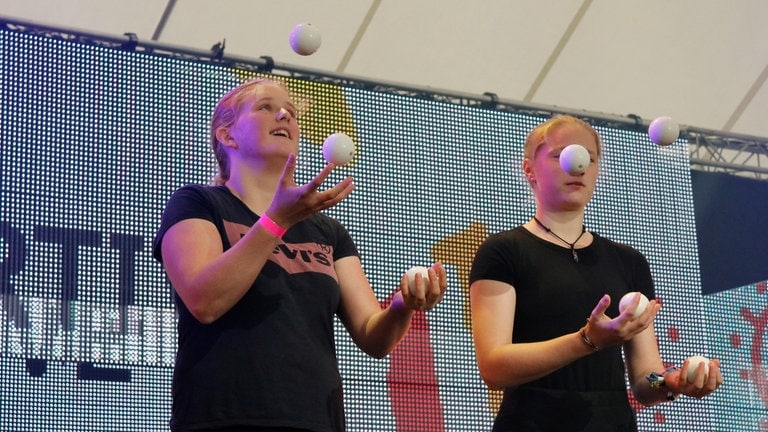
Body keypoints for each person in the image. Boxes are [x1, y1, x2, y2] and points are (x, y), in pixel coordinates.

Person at [152, 77, 447, 432]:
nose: (284, 115)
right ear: (227, 136)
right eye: (265, 107)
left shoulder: (327, 231)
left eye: (291, 112)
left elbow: (373, 336)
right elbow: (205, 300)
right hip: (223, 418)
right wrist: (276, 220)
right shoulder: (197, 203)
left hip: (316, 421)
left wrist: (403, 306)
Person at [469, 114, 723, 431]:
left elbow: (646, 382)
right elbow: (494, 368)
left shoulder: (628, 262)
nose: (577, 166)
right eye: (561, 155)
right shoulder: (503, 251)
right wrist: (587, 340)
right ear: (529, 170)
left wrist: (671, 383)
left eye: (588, 158)